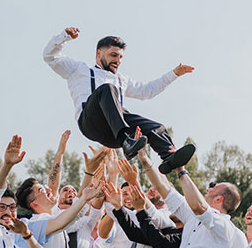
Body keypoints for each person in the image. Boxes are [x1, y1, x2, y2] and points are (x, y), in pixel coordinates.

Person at [43, 27, 196, 174]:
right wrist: (64, 36)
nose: (118, 60)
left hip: (113, 133)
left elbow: (147, 91)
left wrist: (174, 74)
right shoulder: (79, 70)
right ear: (98, 53)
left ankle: (169, 157)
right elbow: (50, 57)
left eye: (120, 57)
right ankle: (126, 142)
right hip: (90, 122)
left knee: (157, 127)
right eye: (113, 55)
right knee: (106, 89)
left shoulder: (121, 80)